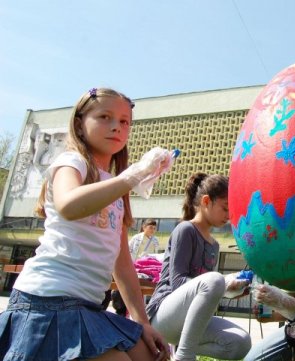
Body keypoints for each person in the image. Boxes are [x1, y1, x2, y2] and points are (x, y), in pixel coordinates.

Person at [0, 87, 172, 360]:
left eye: (124, 121)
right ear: (79, 124)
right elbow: (69, 205)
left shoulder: (115, 186)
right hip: (46, 302)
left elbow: (123, 261)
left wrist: (142, 321)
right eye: (105, 116)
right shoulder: (72, 162)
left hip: (88, 306)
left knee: (151, 356)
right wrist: (135, 173)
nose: (116, 126)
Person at [145, 172, 251, 361]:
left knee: (241, 342)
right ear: (206, 201)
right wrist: (222, 284)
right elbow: (178, 282)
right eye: (225, 208)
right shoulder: (185, 230)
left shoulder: (214, 245)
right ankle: (184, 357)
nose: (228, 216)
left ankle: (183, 350)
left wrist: (229, 290)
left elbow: (206, 291)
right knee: (215, 279)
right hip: (163, 315)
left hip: (189, 324)